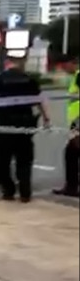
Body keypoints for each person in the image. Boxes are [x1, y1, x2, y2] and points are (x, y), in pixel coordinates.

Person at [0, 56, 50, 203]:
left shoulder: (0, 79)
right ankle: (25, 193)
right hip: (25, 123)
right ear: (20, 64)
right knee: (25, 160)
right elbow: (40, 99)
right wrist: (46, 118)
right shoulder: (29, 79)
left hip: (5, 123)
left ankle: (9, 191)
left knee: (3, 159)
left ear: (7, 64)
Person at [53, 59, 79, 197]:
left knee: (72, 153)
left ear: (72, 63)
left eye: (65, 66)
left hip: (78, 122)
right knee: (71, 153)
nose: (64, 69)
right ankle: (71, 186)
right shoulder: (75, 76)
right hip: (76, 121)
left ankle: (72, 187)